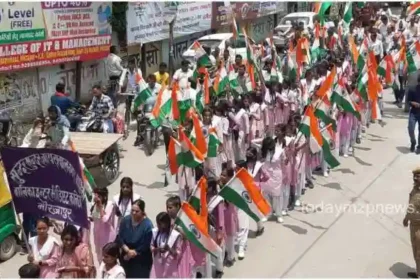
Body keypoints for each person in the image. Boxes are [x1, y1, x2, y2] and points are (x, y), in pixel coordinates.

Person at [117, 199, 153, 278]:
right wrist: (127, 250)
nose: (134, 213)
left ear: (142, 212)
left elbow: (146, 244)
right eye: (132, 210)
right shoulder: (125, 220)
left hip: (141, 260)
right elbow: (119, 237)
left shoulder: (148, 225)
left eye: (137, 211)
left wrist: (134, 253)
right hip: (126, 256)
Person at [150, 212, 183, 278]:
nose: (158, 226)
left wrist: (169, 249)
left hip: (170, 268)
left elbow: (178, 254)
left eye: (160, 224)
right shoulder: (155, 232)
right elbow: (151, 247)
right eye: (157, 223)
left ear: (166, 223)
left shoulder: (175, 235)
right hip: (157, 267)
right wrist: (158, 249)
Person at [91, 187, 116, 264]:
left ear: (104, 196)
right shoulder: (93, 205)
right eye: (95, 196)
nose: (96, 198)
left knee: (108, 258)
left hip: (107, 237)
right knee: (99, 258)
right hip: (97, 236)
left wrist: (101, 206)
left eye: (98, 196)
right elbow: (92, 218)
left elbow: (105, 219)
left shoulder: (109, 204)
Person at [403, 167, 420, 278]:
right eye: (415, 176)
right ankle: (419, 272)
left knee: (419, 252)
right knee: (415, 249)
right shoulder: (415, 189)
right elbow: (411, 207)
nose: (416, 178)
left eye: (419, 176)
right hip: (413, 224)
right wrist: (406, 218)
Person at [407, 74, 420, 153]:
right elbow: (408, 101)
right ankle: (413, 142)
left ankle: (419, 146)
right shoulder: (412, 89)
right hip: (413, 112)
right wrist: (413, 103)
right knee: (411, 128)